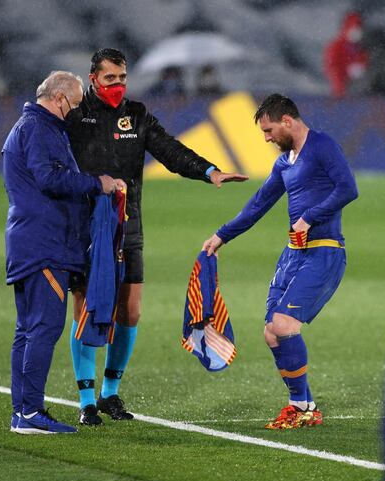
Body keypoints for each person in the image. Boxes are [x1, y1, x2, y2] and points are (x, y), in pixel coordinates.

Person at [66, 48, 248, 426]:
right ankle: (85, 400)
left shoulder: (137, 115)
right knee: (86, 310)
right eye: (110, 78)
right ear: (93, 78)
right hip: (87, 229)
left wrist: (209, 171)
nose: (118, 85)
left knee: (129, 312)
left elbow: (170, 151)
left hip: (129, 225)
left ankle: (109, 394)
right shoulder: (74, 117)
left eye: (123, 78)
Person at [202, 93, 358, 429]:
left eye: (269, 130)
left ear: (287, 120)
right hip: (294, 254)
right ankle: (304, 404)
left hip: (324, 249)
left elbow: (348, 188)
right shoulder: (284, 162)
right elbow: (258, 204)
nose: (267, 138)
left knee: (285, 325)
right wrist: (222, 235)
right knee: (272, 333)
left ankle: (300, 407)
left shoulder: (322, 146)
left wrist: (309, 218)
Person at [2, 70, 124, 434]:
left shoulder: (30, 127)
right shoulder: (39, 129)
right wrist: (96, 184)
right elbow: (49, 178)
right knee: (44, 326)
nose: (75, 111)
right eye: (73, 104)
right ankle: (29, 412)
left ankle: (22, 411)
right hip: (44, 244)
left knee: (27, 329)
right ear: (58, 99)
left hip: (31, 241)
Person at [324, 11, 368, 98]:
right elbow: (332, 68)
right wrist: (340, 87)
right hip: (341, 93)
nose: (358, 32)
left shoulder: (360, 48)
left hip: (358, 92)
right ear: (347, 28)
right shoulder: (336, 46)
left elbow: (365, 65)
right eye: (355, 29)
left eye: (359, 29)